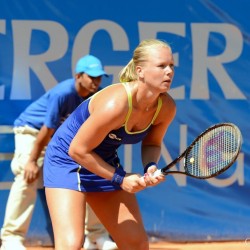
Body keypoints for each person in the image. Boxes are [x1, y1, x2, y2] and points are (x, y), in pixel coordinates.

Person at [43, 38, 176, 250]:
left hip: (101, 161)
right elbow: (77, 150)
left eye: (171, 66)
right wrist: (120, 178)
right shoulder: (116, 103)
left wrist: (150, 167)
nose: (169, 71)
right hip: (66, 160)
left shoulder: (166, 107)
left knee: (136, 244)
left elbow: (152, 143)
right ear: (140, 71)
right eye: (161, 66)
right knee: (71, 245)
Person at [0, 55, 118, 250]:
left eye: (99, 78)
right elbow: (47, 129)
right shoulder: (63, 93)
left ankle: (96, 236)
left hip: (60, 138)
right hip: (33, 131)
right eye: (92, 77)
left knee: (89, 176)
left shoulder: (96, 96)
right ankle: (11, 238)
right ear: (78, 76)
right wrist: (31, 160)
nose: (96, 82)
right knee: (27, 175)